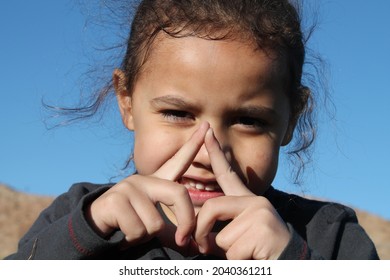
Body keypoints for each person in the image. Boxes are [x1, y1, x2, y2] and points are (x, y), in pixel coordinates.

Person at [5, 0, 378, 260]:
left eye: (249, 120)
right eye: (177, 113)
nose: (207, 152)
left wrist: (289, 263)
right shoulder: (79, 220)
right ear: (127, 101)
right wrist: (86, 231)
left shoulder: (329, 238)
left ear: (290, 121)